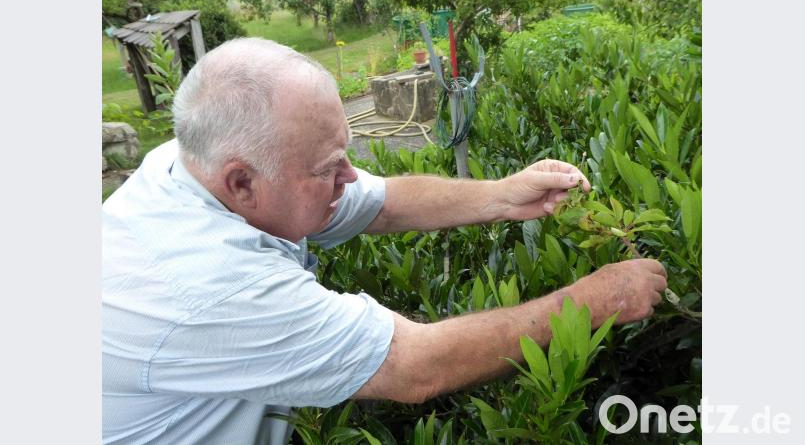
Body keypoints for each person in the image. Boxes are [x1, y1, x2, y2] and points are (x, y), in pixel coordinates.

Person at [102, 37, 667, 444]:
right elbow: (414, 366)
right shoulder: (203, 282)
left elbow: (377, 199)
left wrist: (503, 195)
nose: (349, 176)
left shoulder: (188, 161)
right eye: (328, 167)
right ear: (242, 181)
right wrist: (600, 298)